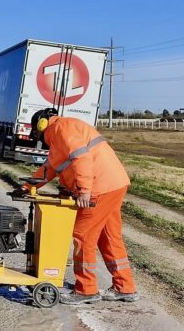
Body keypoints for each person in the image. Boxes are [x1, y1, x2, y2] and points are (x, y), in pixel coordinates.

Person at [23, 108, 139, 304]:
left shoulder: (61, 129)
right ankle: (125, 287)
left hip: (99, 187)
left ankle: (86, 289)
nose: (38, 137)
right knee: (108, 237)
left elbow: (81, 157)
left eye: (36, 133)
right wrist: (26, 187)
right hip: (114, 184)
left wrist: (84, 190)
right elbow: (48, 169)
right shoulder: (62, 134)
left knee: (83, 235)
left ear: (41, 125)